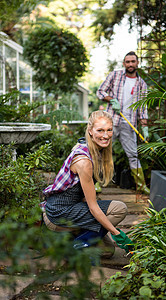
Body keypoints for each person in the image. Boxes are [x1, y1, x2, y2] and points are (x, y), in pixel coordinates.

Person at [42, 110, 133, 257]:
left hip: (71, 208)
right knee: (119, 208)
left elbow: (84, 197)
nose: (106, 135)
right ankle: (73, 247)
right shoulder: (84, 161)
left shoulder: (95, 151)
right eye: (100, 130)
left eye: (109, 130)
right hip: (59, 213)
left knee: (107, 251)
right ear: (90, 131)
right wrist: (118, 234)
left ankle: (74, 238)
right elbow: (92, 206)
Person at [96, 51, 150, 195]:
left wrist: (145, 127)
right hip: (111, 122)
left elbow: (143, 107)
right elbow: (100, 91)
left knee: (133, 155)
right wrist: (111, 100)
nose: (130, 64)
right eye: (128, 62)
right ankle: (95, 183)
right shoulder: (115, 76)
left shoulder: (142, 84)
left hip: (129, 123)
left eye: (133, 61)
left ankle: (141, 185)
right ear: (124, 63)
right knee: (100, 151)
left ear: (137, 63)